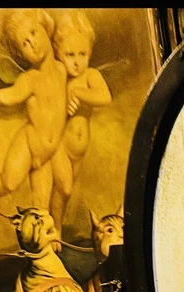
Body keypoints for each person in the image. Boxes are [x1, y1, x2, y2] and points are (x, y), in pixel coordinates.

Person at [0, 8, 67, 211]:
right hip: (29, 143)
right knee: (9, 182)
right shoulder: (30, 79)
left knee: (41, 204)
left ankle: (46, 239)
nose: (32, 44)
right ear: (20, 53)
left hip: (48, 153)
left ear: (46, 28)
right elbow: (15, 94)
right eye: (24, 43)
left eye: (33, 33)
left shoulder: (62, 70)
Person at [50, 11, 112, 235]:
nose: (77, 61)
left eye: (82, 54)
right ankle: (55, 227)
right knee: (64, 188)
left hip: (79, 151)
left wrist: (78, 91)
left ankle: (56, 224)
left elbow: (104, 97)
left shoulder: (90, 76)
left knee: (65, 192)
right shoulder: (59, 77)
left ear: (90, 53)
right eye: (70, 55)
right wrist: (63, 103)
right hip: (61, 146)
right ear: (58, 53)